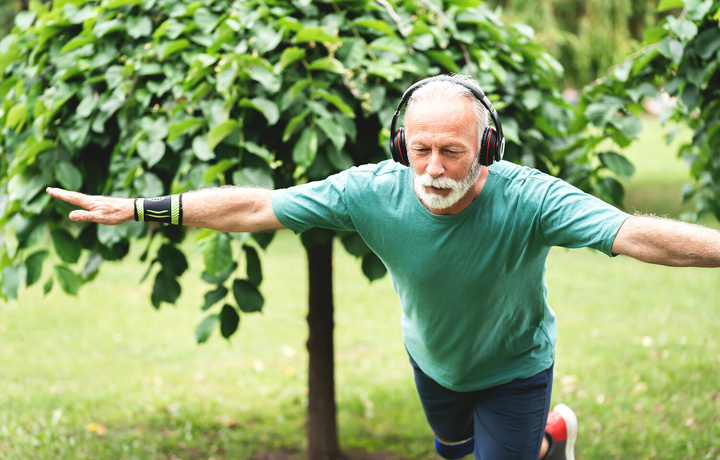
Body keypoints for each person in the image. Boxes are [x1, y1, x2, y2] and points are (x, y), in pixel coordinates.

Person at [46, 74, 720, 460]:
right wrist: (141, 207)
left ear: (486, 146)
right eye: (420, 148)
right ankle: (555, 440)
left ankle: (537, 431)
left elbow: (634, 235)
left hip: (516, 370)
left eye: (452, 152)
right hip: (433, 363)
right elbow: (255, 205)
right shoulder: (372, 190)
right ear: (401, 144)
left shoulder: (532, 199)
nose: (433, 168)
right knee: (452, 452)